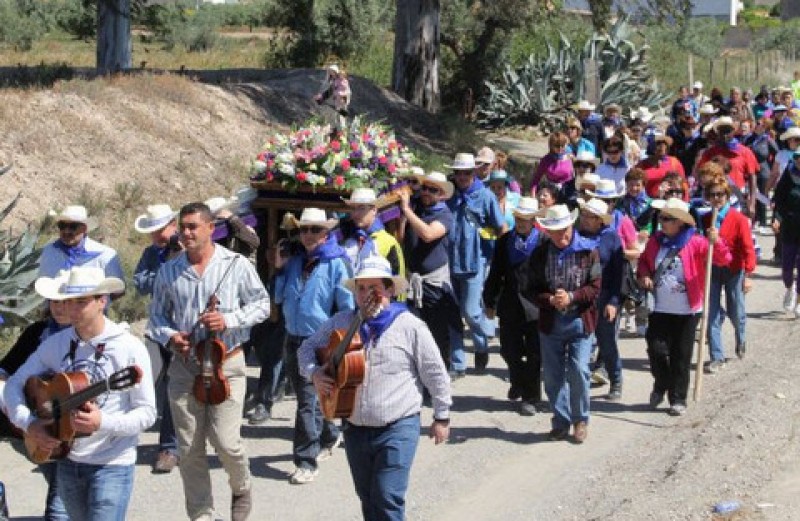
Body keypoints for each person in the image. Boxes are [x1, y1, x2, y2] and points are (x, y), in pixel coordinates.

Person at [299, 255, 452, 521]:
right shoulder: (341, 322)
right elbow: (306, 349)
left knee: (387, 497)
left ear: (390, 290)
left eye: (375, 289)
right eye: (361, 288)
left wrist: (442, 416)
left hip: (398, 425)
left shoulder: (410, 326)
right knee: (368, 498)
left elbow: (435, 372)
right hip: (355, 428)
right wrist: (314, 374)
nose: (367, 295)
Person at [147, 202, 270, 520]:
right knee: (189, 449)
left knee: (227, 441)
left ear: (210, 228)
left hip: (226, 361)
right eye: (182, 227)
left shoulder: (236, 264)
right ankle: (202, 513)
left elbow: (262, 304)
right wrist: (170, 336)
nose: (186, 233)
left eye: (192, 227)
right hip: (185, 365)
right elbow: (156, 318)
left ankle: (241, 485)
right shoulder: (169, 270)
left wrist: (229, 320)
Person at [4, 266, 156, 521]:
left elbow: (147, 413)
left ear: (102, 301)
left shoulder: (129, 348)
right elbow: (14, 384)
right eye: (69, 302)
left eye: (81, 302)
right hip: (68, 460)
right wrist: (29, 424)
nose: (72, 310)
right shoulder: (56, 344)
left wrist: (103, 422)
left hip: (112, 465)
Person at [274, 207, 354, 485]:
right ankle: (330, 434)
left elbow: (347, 308)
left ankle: (305, 461)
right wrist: (281, 269)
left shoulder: (337, 263)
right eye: (304, 229)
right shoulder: (295, 261)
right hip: (292, 337)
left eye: (314, 229)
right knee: (309, 398)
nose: (308, 235)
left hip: (319, 342)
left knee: (307, 404)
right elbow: (279, 297)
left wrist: (337, 343)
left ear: (326, 232)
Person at [638, 199, 731, 416]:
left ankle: (678, 397)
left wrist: (715, 242)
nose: (662, 222)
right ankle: (662, 383)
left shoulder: (696, 242)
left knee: (681, 355)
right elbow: (644, 263)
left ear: (680, 222)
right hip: (659, 307)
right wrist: (643, 276)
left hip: (687, 310)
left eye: (667, 219)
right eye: (661, 217)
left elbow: (723, 258)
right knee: (656, 350)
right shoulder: (655, 241)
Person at [524, 205, 602, 443]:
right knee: (553, 374)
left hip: (580, 320)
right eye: (556, 231)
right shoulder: (539, 254)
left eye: (565, 229)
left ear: (572, 226)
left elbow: (595, 286)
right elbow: (529, 288)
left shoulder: (589, 252)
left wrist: (572, 297)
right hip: (551, 322)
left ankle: (580, 419)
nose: (562, 235)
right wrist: (548, 299)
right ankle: (560, 421)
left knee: (579, 370)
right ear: (548, 232)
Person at [0, 295, 72, 520]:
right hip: (35, 421)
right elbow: (7, 369)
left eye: (66, 302)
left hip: (73, 430)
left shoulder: (91, 341)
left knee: (60, 508)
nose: (59, 308)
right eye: (54, 302)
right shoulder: (38, 333)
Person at [132, 204, 182, 474]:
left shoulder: (189, 251)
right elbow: (139, 284)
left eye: (160, 229)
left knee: (175, 386)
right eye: (153, 232)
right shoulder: (151, 254)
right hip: (156, 327)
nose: (157, 236)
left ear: (173, 224)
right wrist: (164, 268)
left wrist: (178, 260)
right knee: (145, 382)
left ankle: (169, 447)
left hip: (181, 327)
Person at [483, 197, 543, 415]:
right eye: (518, 218)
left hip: (537, 306)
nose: (521, 222)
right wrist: (489, 300)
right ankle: (518, 380)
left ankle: (531, 396)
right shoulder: (504, 241)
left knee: (536, 354)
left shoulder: (543, 242)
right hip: (510, 304)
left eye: (526, 219)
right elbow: (495, 273)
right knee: (509, 350)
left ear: (534, 220)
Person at [446, 153, 505, 373]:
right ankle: (458, 364)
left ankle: (482, 344)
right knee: (453, 316)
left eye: (466, 173)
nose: (462, 177)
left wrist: (495, 255)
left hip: (475, 261)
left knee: (470, 312)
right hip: (450, 262)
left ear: (474, 173)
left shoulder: (485, 196)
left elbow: (500, 227)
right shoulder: (449, 195)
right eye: (458, 173)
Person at [399, 172, 463, 376]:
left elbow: (427, 234)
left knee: (437, 335)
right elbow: (402, 237)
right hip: (413, 281)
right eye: (424, 188)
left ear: (443, 195)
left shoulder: (445, 215)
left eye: (432, 190)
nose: (426, 193)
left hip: (434, 283)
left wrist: (407, 210)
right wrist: (405, 214)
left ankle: (439, 378)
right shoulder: (417, 208)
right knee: (413, 334)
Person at [700, 176, 756, 370]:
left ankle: (741, 338)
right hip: (712, 269)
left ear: (727, 196)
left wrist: (748, 275)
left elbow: (748, 247)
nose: (716, 198)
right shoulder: (706, 218)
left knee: (736, 309)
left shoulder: (738, 219)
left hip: (734, 269)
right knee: (711, 312)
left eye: (720, 194)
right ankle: (717, 356)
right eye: (712, 195)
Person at [38, 205, 124, 287]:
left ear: (84, 229)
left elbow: (117, 289)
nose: (66, 231)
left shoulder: (105, 255)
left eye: (73, 226)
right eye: (62, 226)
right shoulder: (48, 252)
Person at [696, 117, 760, 218]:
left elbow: (752, 176)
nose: (725, 135)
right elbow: (699, 173)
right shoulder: (710, 153)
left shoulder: (745, 152)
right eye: (722, 132)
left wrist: (752, 203)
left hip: (737, 195)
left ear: (733, 131)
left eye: (728, 131)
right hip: (715, 195)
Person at [341, 188, 406, 277]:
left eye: (361, 208)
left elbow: (398, 277)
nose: (355, 214)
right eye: (353, 208)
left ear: (374, 210)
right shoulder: (346, 239)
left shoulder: (389, 242)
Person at [773, 150, 800, 317]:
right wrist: (777, 218)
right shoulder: (788, 175)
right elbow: (779, 199)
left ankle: (798, 301)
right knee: (787, 268)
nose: (799, 161)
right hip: (790, 226)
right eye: (797, 158)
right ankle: (790, 288)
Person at [530, 132, 575, 201]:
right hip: (551, 193)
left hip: (568, 191)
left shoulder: (570, 158)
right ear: (551, 146)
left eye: (562, 145)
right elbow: (536, 178)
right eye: (557, 146)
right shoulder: (546, 160)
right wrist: (533, 195)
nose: (560, 148)